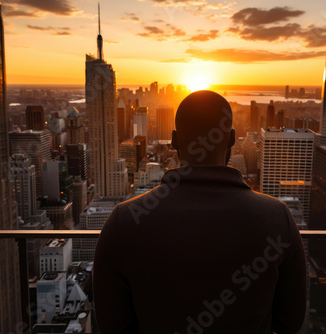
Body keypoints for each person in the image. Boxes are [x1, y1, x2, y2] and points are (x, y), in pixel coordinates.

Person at [93, 90, 307, 333]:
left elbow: (113, 326)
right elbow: (290, 322)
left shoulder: (124, 223)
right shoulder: (278, 219)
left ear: (174, 140)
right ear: (232, 139)